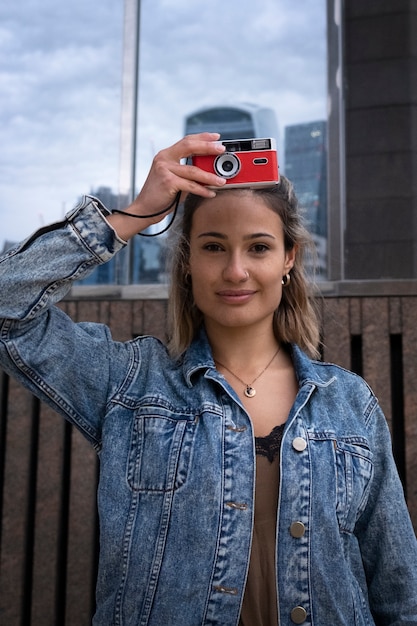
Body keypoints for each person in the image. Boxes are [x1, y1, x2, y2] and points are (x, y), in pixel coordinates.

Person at [0, 132, 416, 626]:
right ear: (188, 262)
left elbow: (398, 589)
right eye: (214, 247)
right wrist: (135, 214)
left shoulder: (350, 403)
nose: (235, 270)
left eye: (258, 247)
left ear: (289, 259)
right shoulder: (130, 384)